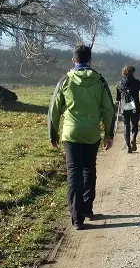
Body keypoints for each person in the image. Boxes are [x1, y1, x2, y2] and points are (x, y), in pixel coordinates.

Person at [47, 45, 115, 230]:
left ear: (73, 60)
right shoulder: (100, 81)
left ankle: (77, 218)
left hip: (71, 134)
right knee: (89, 169)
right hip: (92, 134)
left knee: (74, 173)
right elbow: (109, 109)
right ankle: (87, 208)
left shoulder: (64, 81)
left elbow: (54, 109)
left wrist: (52, 134)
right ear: (90, 60)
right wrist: (108, 134)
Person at [116, 64, 140, 153]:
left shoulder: (120, 83)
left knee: (126, 125)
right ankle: (133, 139)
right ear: (132, 73)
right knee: (134, 125)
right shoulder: (136, 82)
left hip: (125, 106)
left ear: (123, 72)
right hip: (134, 105)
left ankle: (128, 147)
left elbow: (117, 98)